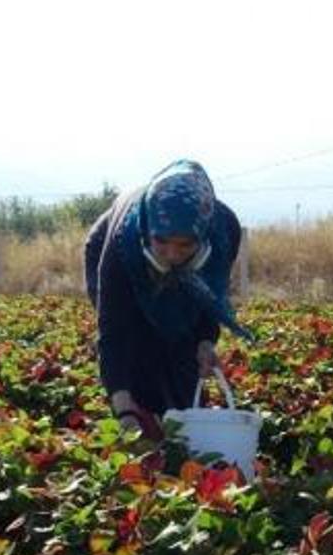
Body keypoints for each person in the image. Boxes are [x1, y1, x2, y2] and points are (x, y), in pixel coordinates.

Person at [84, 159, 252, 435]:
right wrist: (124, 409)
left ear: (202, 235)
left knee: (183, 355)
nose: (172, 255)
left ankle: (177, 425)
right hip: (111, 249)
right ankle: (140, 415)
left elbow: (210, 298)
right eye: (162, 242)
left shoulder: (223, 232)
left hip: (191, 267)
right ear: (149, 231)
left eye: (185, 244)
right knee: (138, 344)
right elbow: (114, 331)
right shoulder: (120, 244)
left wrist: (205, 343)